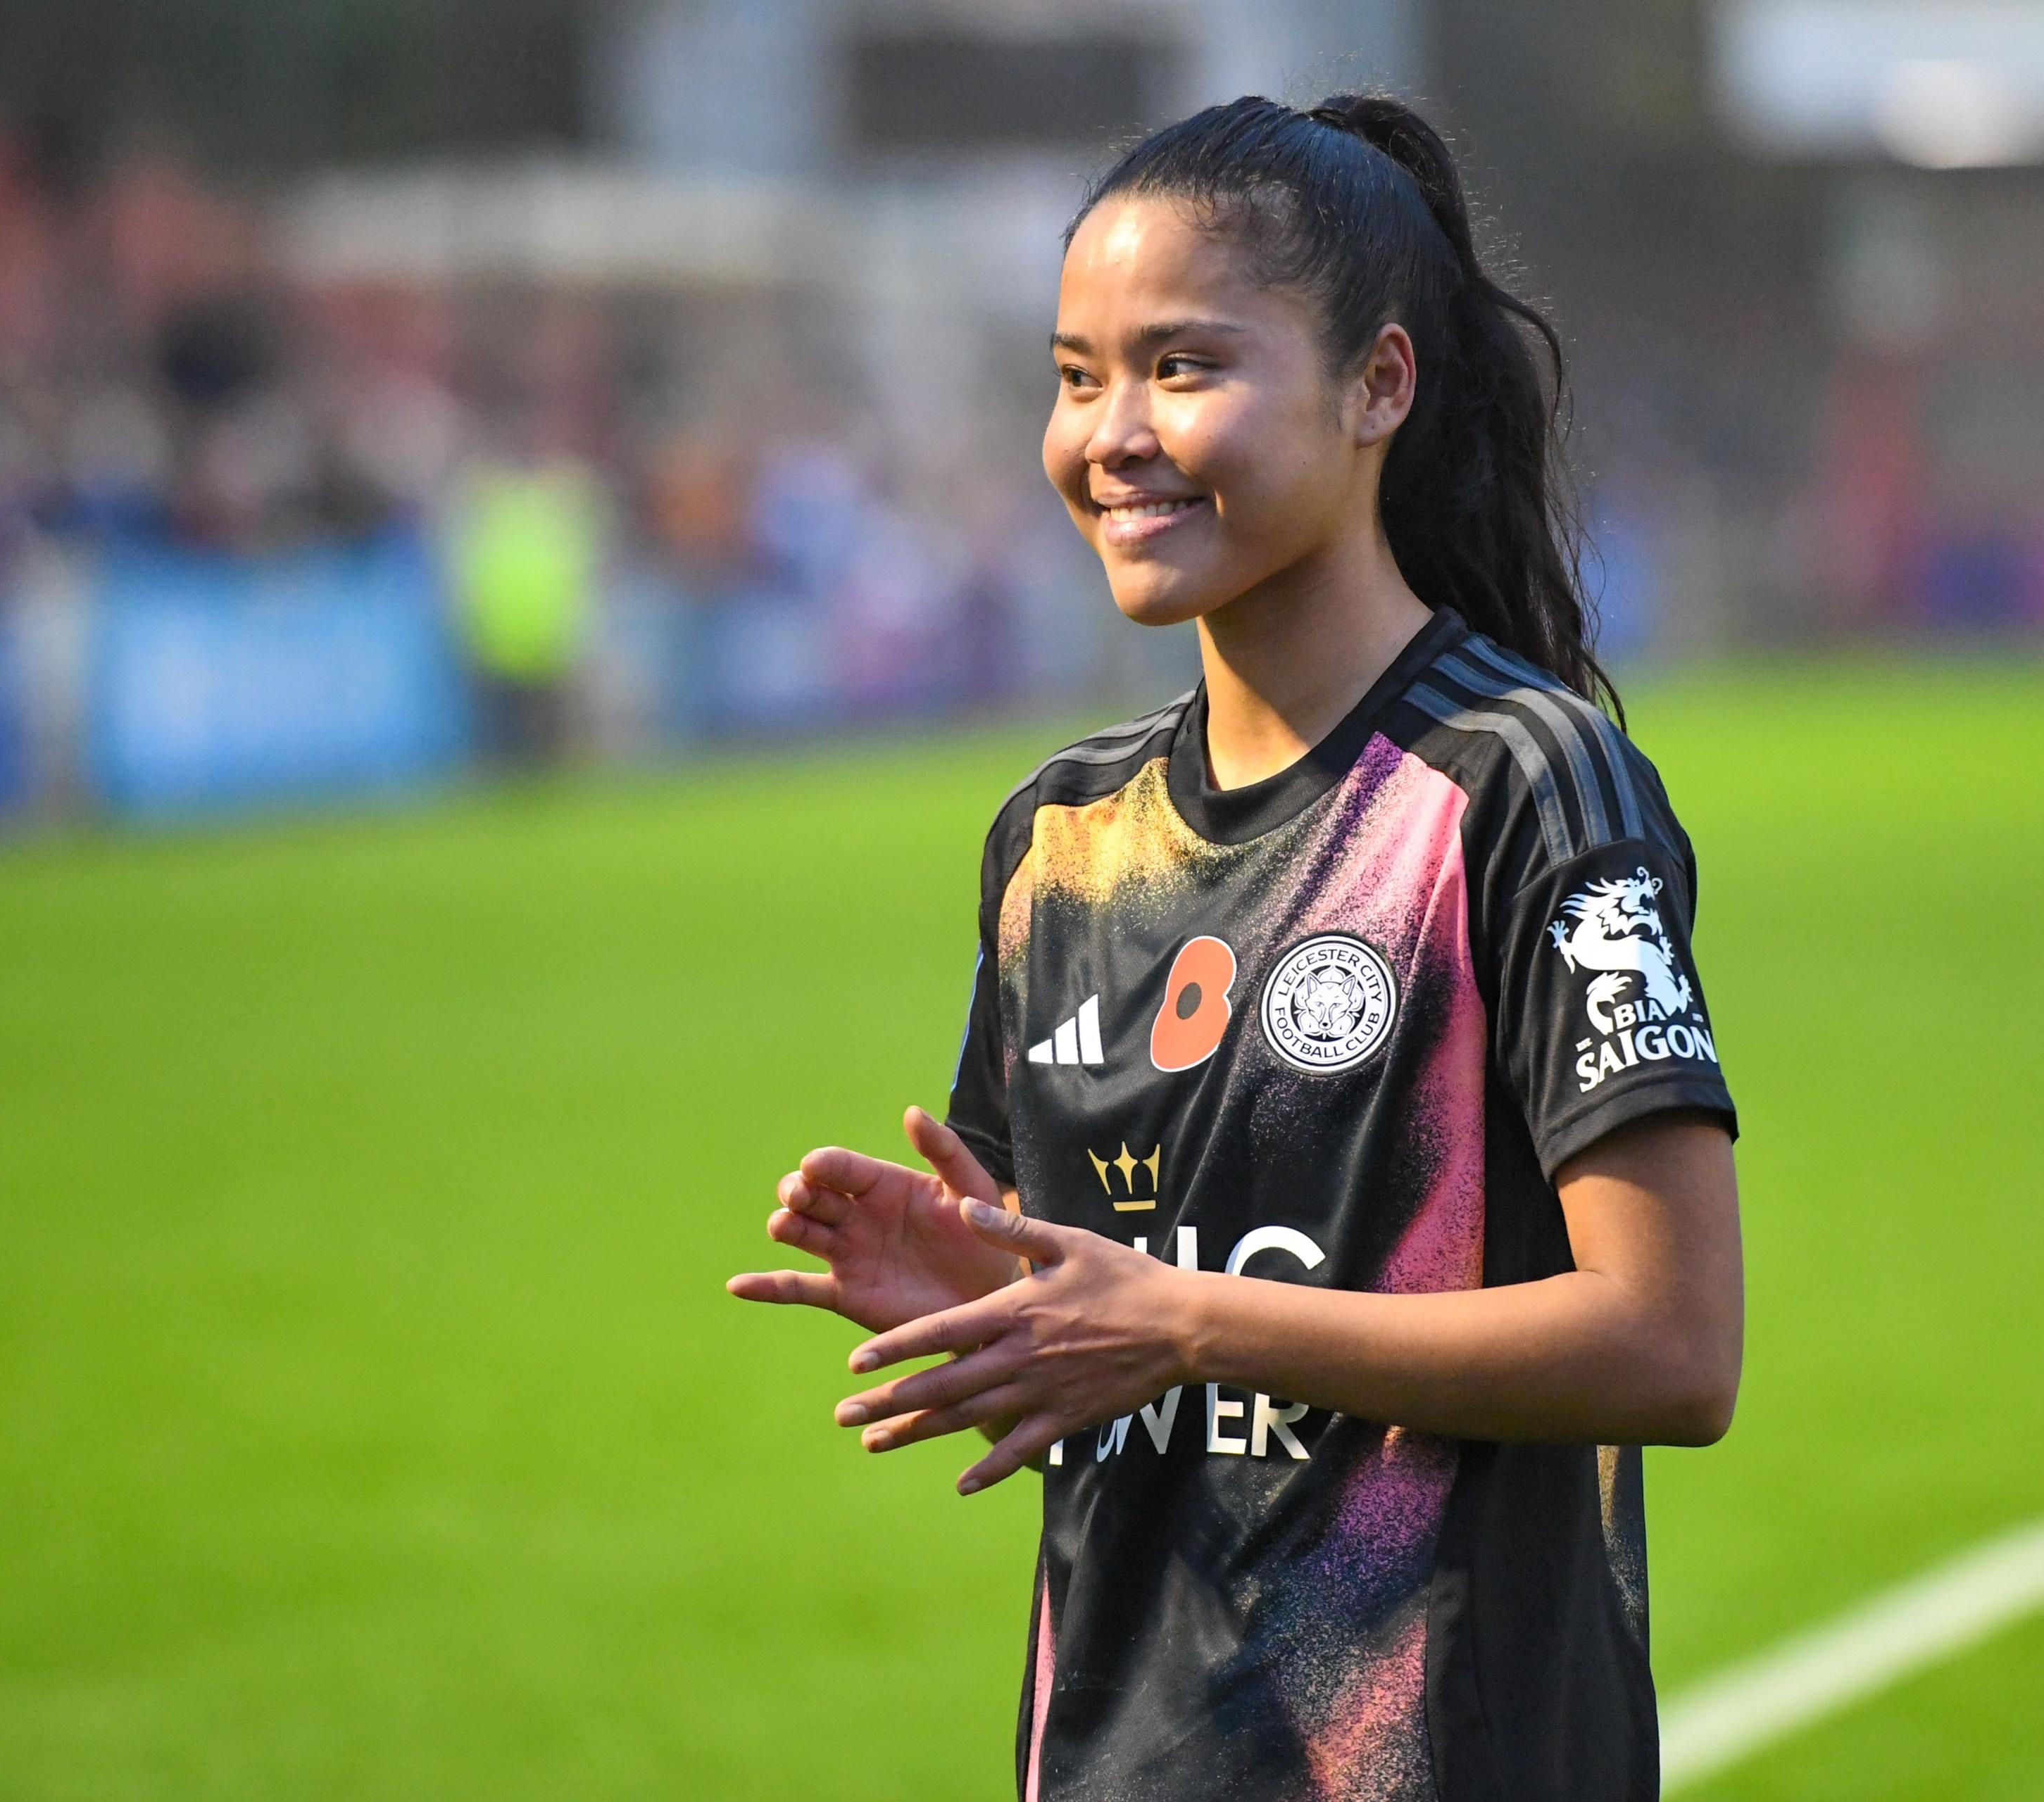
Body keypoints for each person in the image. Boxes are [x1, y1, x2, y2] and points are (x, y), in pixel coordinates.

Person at [731, 94, 1743, 1802]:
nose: (1112, 432)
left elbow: (1670, 1343)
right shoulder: (1060, 842)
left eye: (1183, 367)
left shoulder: (1520, 784)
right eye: (1074, 376)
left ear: (1380, 388)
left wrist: (1188, 1321)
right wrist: (1002, 1304)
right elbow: (1127, 1307)